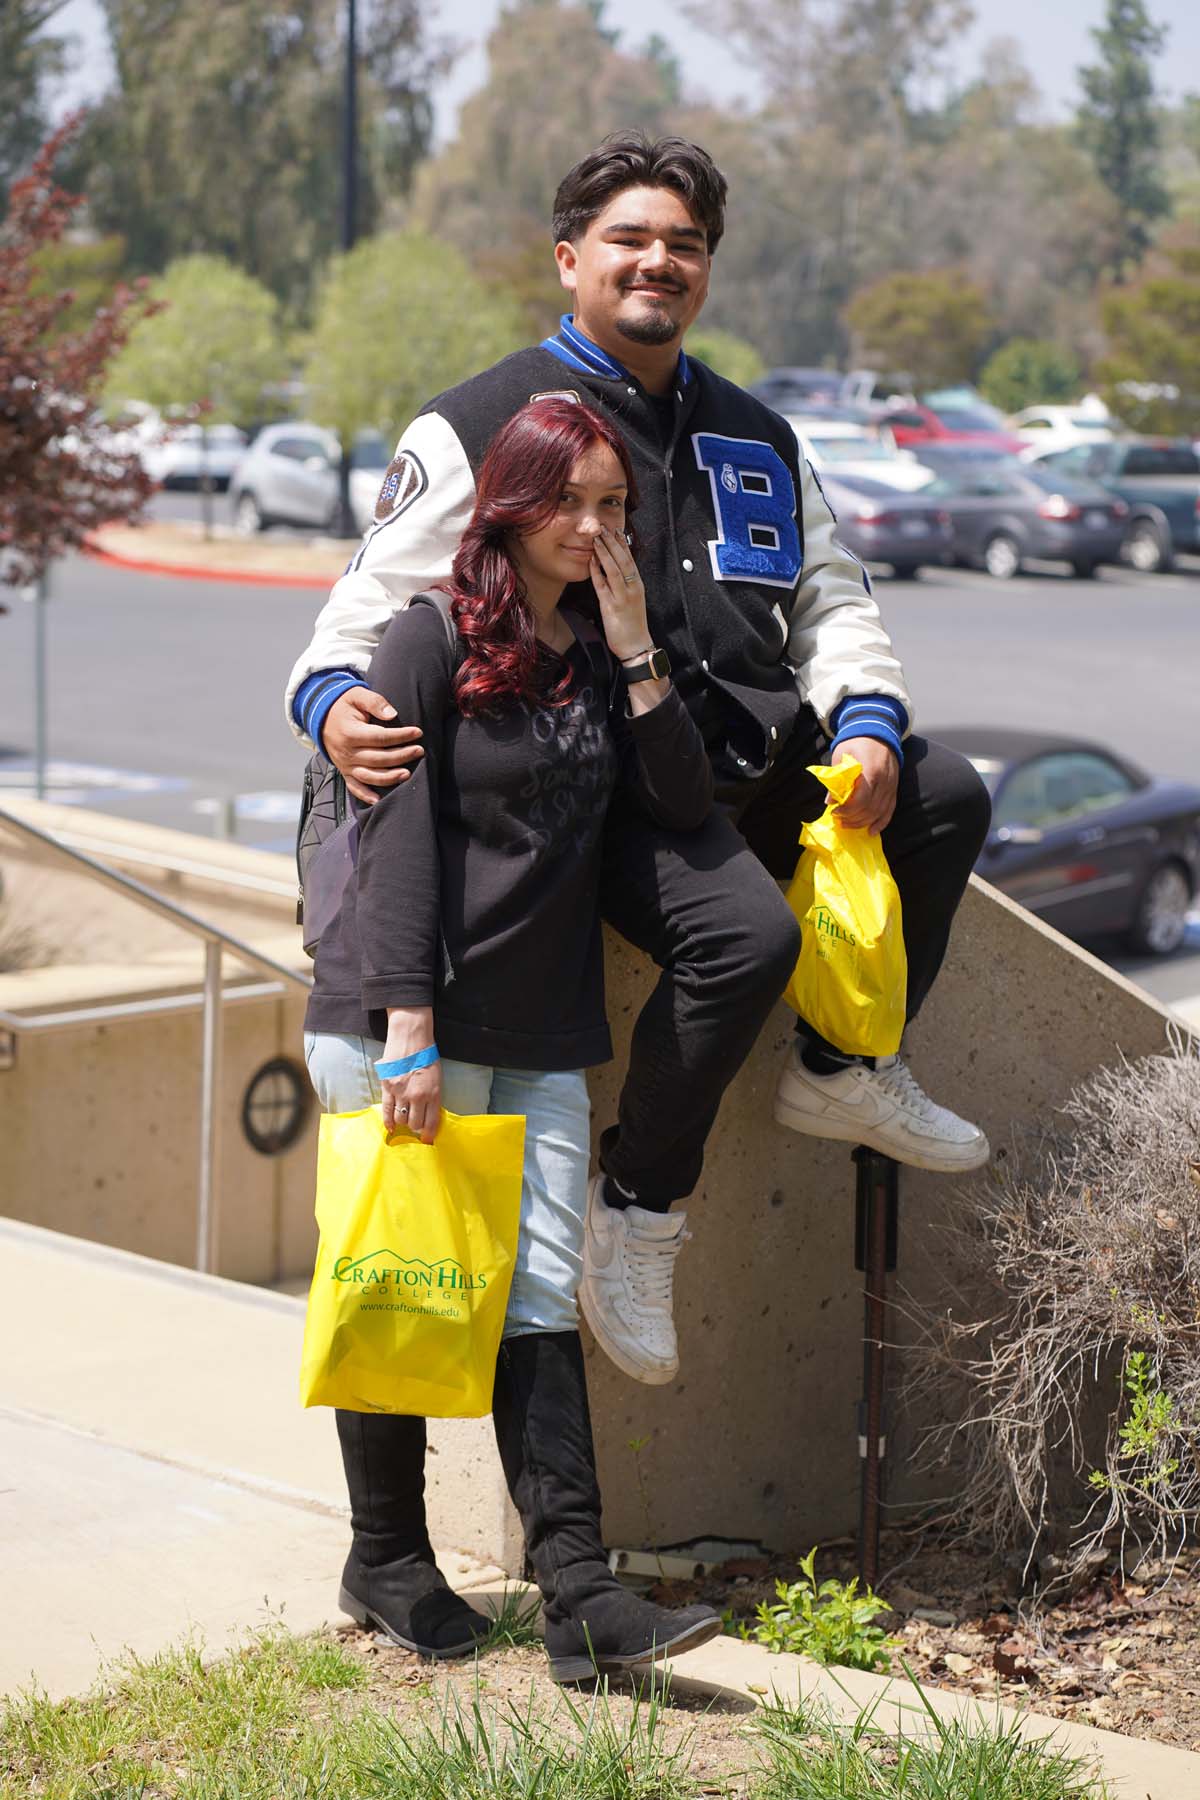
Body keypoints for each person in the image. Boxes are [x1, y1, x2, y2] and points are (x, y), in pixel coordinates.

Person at [287, 131, 992, 1395]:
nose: (659, 261)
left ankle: (846, 1070)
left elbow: (834, 602)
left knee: (944, 792)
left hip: (752, 764)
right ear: (570, 261)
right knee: (744, 939)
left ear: (707, 271)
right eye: (630, 240)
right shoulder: (477, 424)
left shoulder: (760, 434)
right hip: (602, 798)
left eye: (685, 244)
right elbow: (354, 623)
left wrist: (871, 721)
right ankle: (640, 1201)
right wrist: (337, 706)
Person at [303, 395, 720, 1681]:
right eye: (569, 501)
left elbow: (683, 803)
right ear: (509, 499)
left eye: (613, 506)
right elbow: (396, 843)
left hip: (542, 1025)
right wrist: (407, 1031)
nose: (592, 525)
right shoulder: (426, 638)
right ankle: (386, 1558)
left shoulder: (599, 649)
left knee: (538, 1294)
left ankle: (579, 1595)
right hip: (409, 1014)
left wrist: (642, 643)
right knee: (403, 1278)